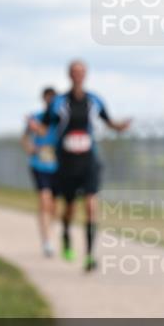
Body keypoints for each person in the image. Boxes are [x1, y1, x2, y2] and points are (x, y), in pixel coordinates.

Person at [37, 60, 131, 271]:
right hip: (67, 163)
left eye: (82, 72)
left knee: (91, 205)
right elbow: (44, 128)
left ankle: (89, 255)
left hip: (89, 161)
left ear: (86, 75)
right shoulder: (59, 102)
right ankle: (66, 234)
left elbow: (109, 122)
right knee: (69, 207)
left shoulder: (94, 100)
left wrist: (120, 126)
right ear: (69, 75)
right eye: (75, 72)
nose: (78, 75)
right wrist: (34, 130)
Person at [23, 87, 59, 257]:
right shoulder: (35, 118)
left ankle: (50, 231)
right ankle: (47, 241)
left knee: (53, 205)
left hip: (58, 166)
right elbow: (25, 138)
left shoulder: (61, 120)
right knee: (44, 199)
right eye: (48, 99)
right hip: (40, 164)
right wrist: (30, 148)